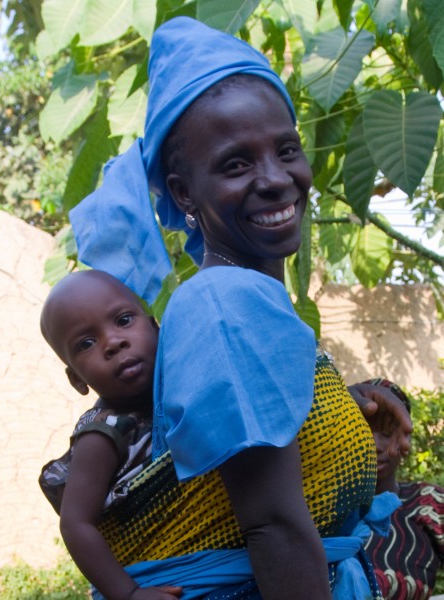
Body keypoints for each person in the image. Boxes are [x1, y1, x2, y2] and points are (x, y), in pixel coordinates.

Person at [69, 16, 411, 599]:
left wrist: (345, 409)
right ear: (182, 192)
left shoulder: (243, 297)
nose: (277, 179)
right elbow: (273, 526)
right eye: (236, 164)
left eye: (286, 149)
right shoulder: (224, 306)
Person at [38, 270, 182, 600]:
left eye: (123, 320)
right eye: (86, 343)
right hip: (155, 575)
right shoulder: (103, 433)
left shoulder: (176, 396)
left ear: (155, 328)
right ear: (76, 379)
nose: (113, 342)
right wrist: (129, 594)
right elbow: (75, 524)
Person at [364, 378, 444, 600]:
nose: (376, 446)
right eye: (364, 431)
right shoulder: (324, 504)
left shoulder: (429, 502)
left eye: (388, 434)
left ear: (405, 439)